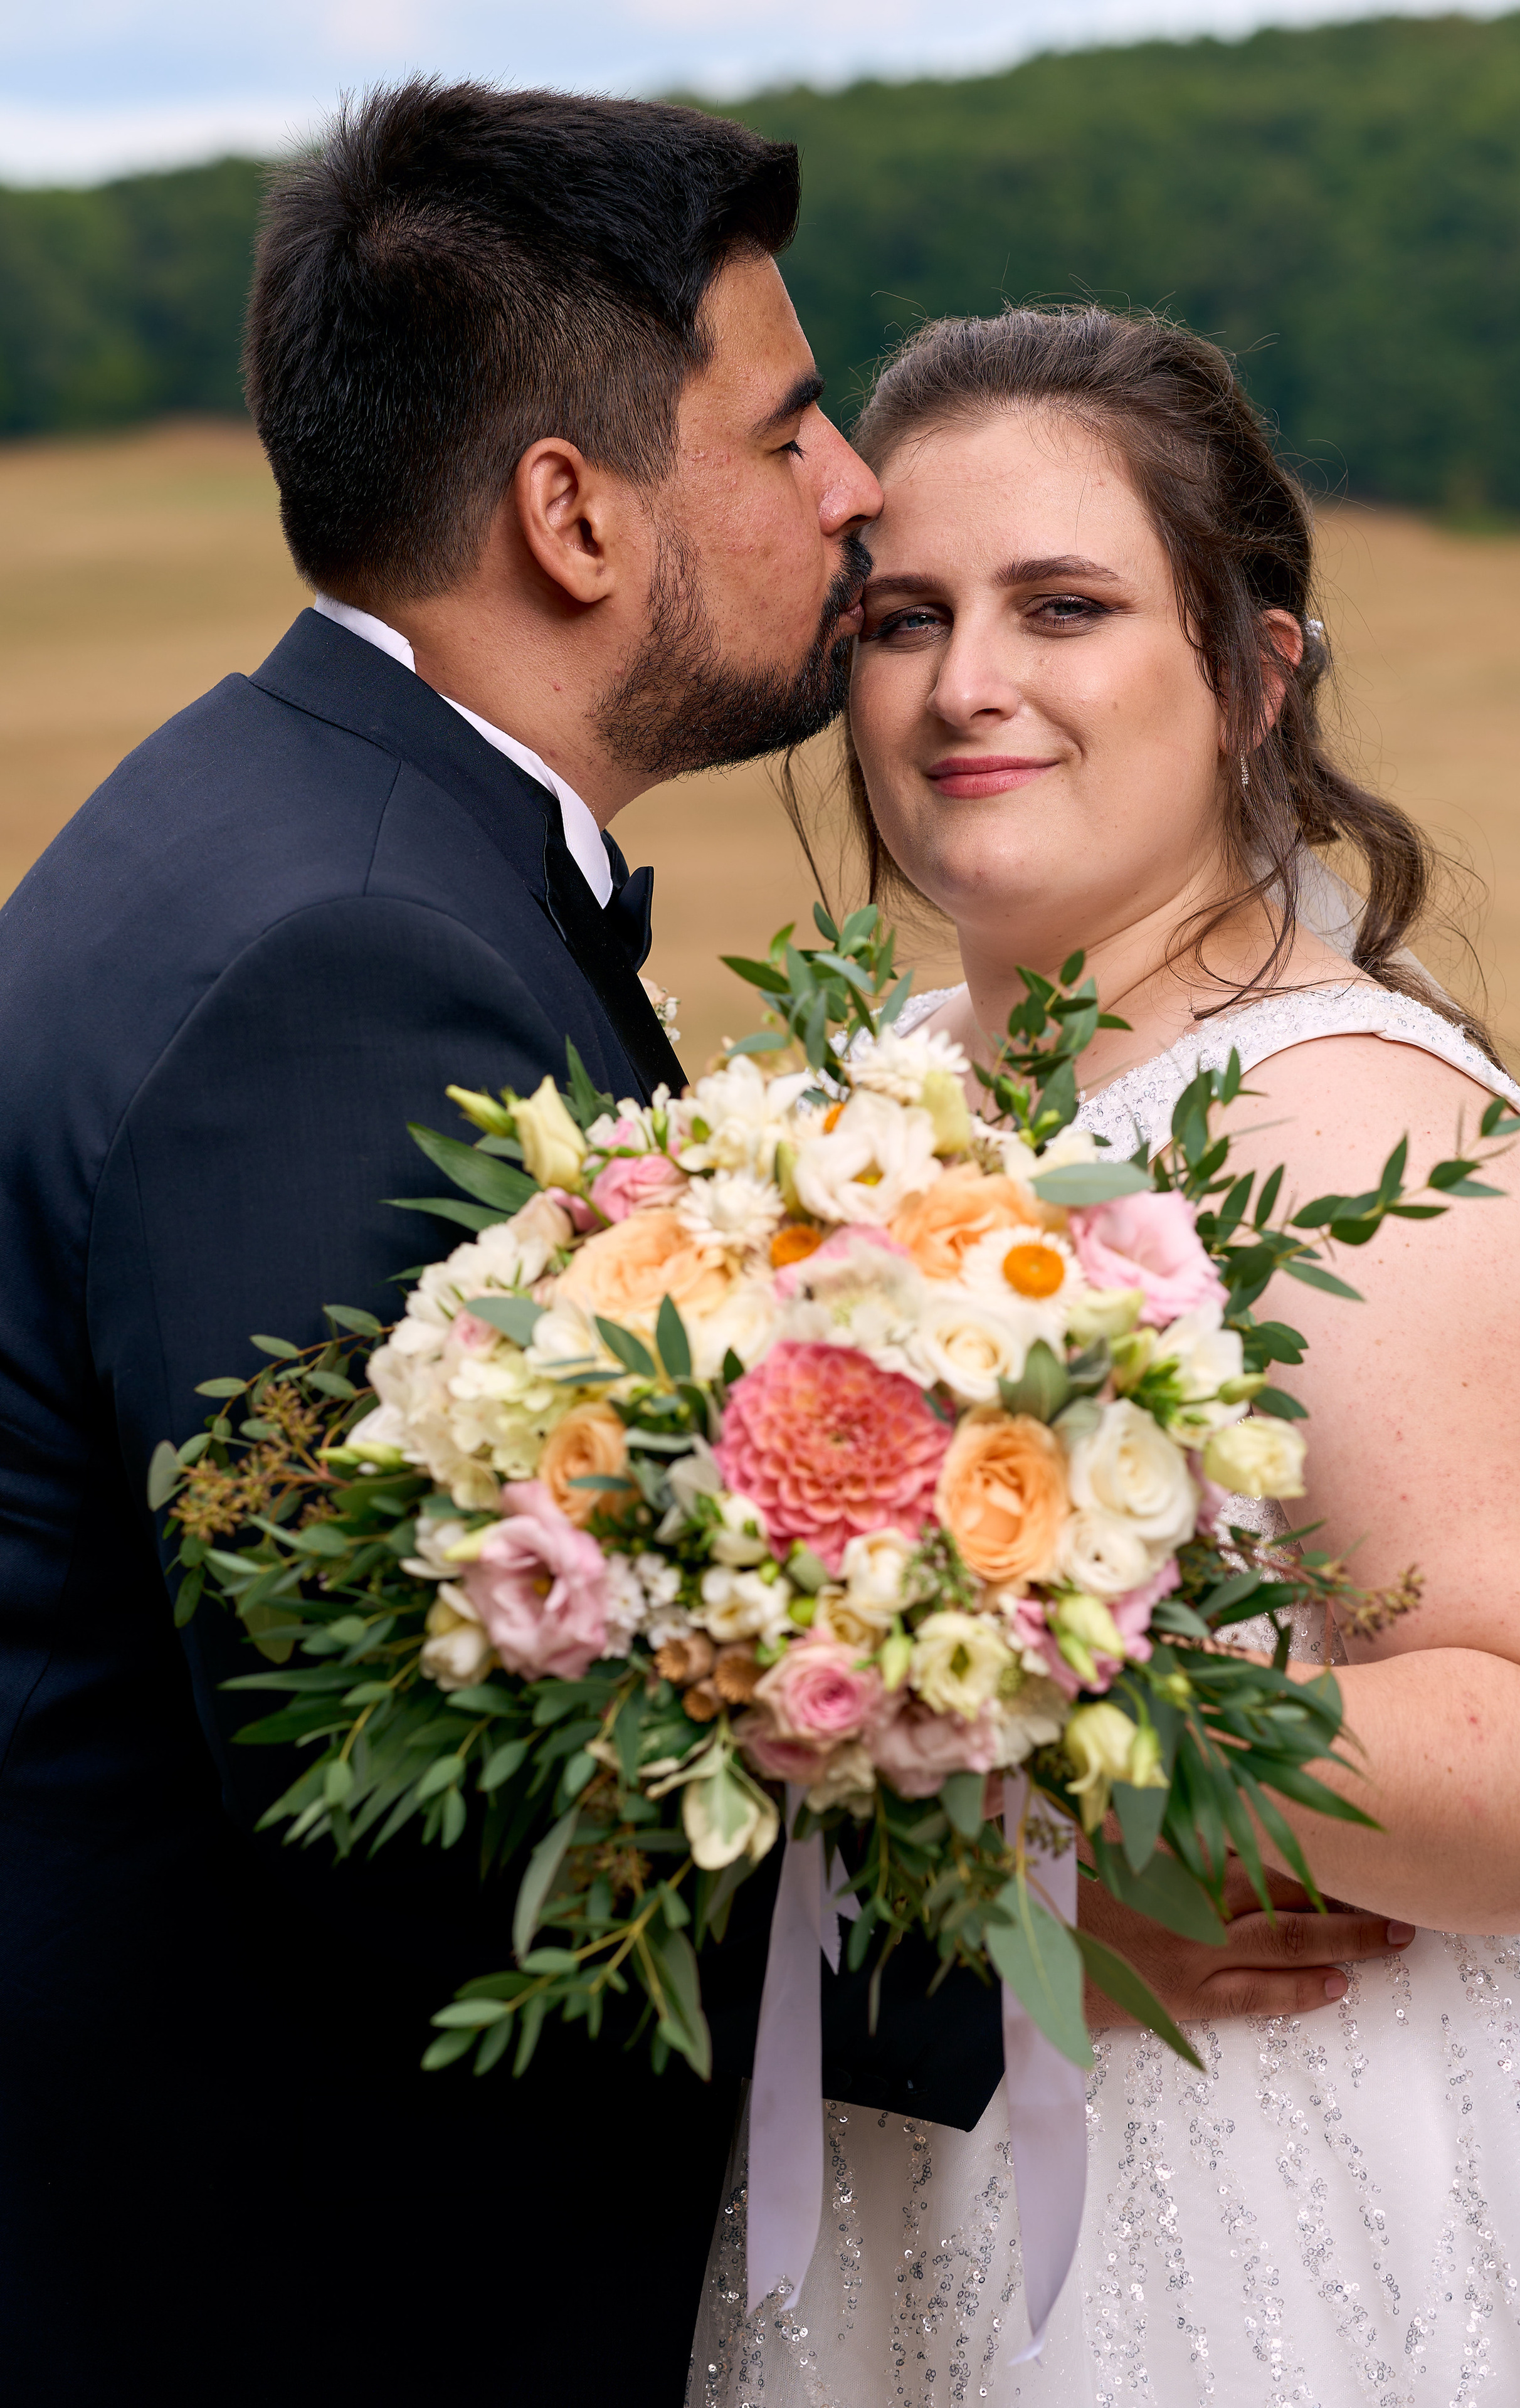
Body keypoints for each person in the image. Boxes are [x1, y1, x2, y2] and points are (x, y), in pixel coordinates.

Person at [0, 79, 894, 2407]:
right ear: (573, 517)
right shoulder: (347, 961)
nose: (858, 487)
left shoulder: (312, 829)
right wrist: (1067, 1929)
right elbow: (410, 1817)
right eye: (789, 430)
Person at [689, 307, 1520, 2404]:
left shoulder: (1362, 1121)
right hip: (908, 2158)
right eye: (903, 616)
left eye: (1066, 606)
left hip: (1278, 2196)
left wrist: (1046, 1679)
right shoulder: (853, 1102)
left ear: (1254, 673)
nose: (965, 684)